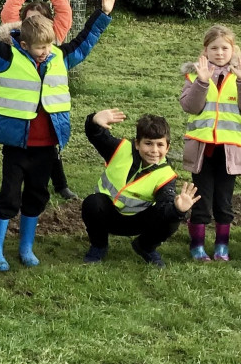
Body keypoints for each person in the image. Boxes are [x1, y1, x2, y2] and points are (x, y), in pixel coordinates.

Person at [0, 0, 118, 271]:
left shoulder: (60, 56)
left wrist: (103, 14)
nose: (45, 52)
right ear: (24, 44)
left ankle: (26, 248)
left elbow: (85, 41)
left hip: (48, 146)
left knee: (37, 196)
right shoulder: (6, 57)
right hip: (17, 145)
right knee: (9, 197)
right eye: (40, 48)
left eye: (48, 46)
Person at [179, 25, 241, 261]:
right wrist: (202, 82)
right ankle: (197, 247)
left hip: (230, 151)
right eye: (213, 47)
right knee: (201, 201)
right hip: (202, 151)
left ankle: (222, 247)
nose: (219, 52)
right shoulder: (195, 75)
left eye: (224, 47)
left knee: (224, 203)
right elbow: (190, 106)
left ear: (233, 49)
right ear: (205, 50)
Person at [81, 109, 201, 268]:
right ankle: (99, 246)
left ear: (167, 148)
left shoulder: (166, 175)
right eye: (148, 143)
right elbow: (96, 136)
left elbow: (164, 207)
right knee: (92, 203)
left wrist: (179, 209)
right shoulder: (120, 148)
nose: (154, 150)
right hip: (108, 215)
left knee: (172, 219)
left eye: (160, 145)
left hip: (138, 221)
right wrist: (94, 120)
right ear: (137, 143)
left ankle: (145, 246)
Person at [0, 0, 77, 200]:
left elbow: (65, 12)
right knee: (25, 150)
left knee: (50, 148)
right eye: (30, 19)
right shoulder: (17, 37)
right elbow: (8, 13)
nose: (35, 23)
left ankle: (61, 185)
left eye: (40, 19)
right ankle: (19, 187)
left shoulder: (55, 34)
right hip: (25, 103)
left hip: (50, 101)